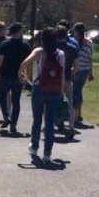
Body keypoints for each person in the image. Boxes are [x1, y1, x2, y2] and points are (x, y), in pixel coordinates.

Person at [19, 27, 65, 164]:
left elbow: (24, 63)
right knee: (50, 123)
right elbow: (61, 75)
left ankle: (34, 147)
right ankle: (47, 154)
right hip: (54, 90)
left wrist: (23, 77)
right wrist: (61, 91)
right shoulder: (60, 54)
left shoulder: (39, 51)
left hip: (39, 88)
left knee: (37, 120)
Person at [0, 22, 31, 134]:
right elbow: (27, 63)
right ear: (19, 31)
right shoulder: (26, 45)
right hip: (18, 76)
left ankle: (6, 116)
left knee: (2, 97)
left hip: (5, 75)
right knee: (16, 100)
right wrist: (27, 77)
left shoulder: (4, 44)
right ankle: (13, 124)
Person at [55, 24, 79, 139]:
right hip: (67, 77)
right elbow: (77, 66)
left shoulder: (52, 45)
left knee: (51, 101)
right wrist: (71, 74)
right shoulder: (72, 46)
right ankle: (71, 127)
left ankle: (50, 123)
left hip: (53, 78)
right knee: (70, 101)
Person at [71, 22, 94, 125]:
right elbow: (90, 59)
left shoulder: (73, 42)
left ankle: (74, 116)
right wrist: (91, 73)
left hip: (75, 70)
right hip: (85, 70)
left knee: (74, 93)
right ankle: (79, 114)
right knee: (78, 91)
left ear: (75, 31)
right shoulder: (89, 42)